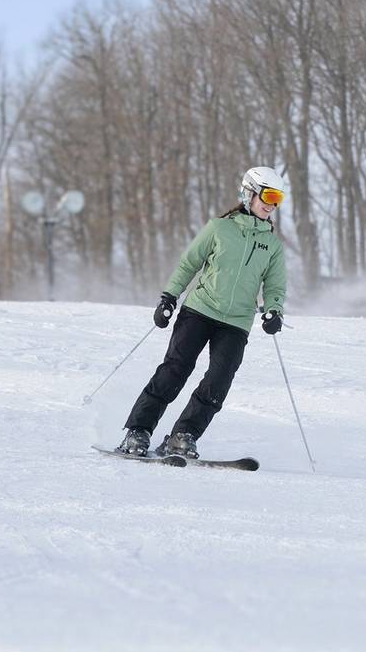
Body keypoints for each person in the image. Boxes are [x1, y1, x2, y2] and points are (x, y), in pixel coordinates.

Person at [116, 166, 289, 459]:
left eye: (278, 199)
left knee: (219, 379)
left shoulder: (271, 245)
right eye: (268, 195)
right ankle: (138, 430)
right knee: (176, 369)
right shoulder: (219, 228)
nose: (271, 204)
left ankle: (184, 435)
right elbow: (189, 263)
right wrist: (169, 297)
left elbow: (275, 285)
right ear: (250, 193)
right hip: (199, 310)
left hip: (236, 322)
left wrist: (274, 311)